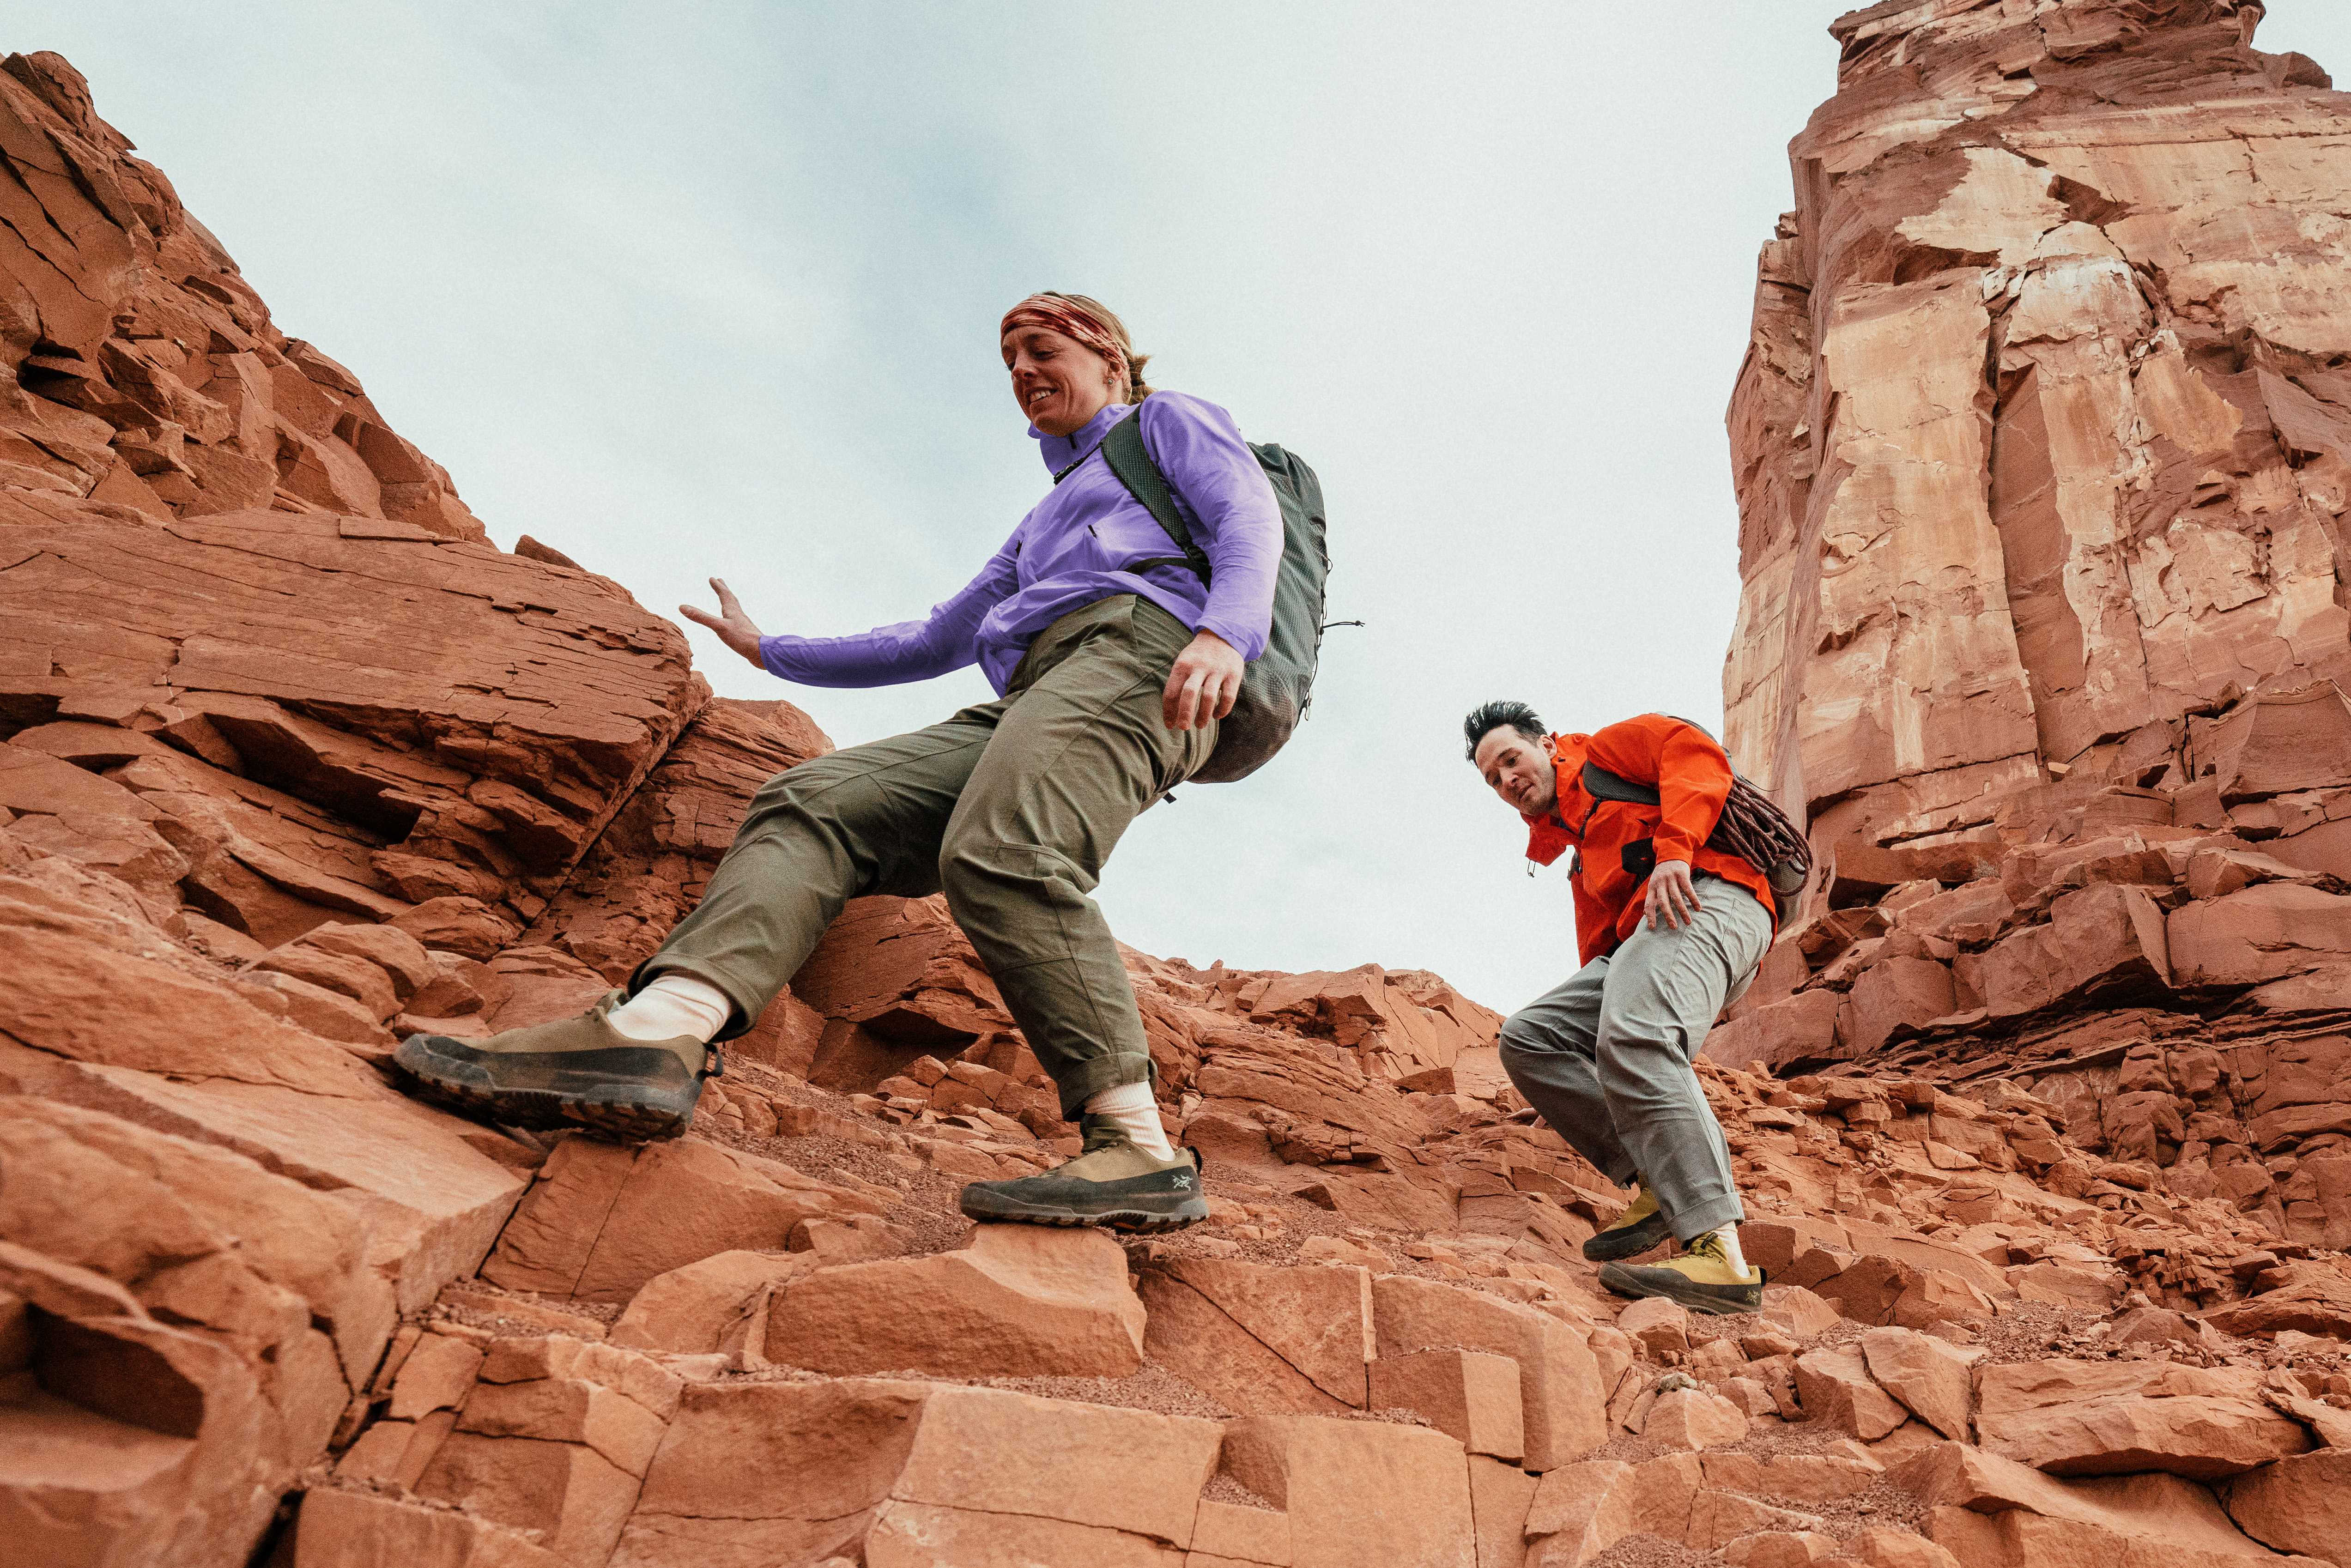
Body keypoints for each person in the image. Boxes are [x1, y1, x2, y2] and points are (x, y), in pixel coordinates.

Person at [394, 292, 1283, 1233]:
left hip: (1148, 653)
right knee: (815, 800)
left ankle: (1136, 1149)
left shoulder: (1165, 421)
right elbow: (934, 638)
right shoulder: (1046, 517)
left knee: (1005, 852)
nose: (1021, 370)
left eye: (1039, 346)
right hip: (1044, 688)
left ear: (1105, 351)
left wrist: (1226, 632)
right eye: (1008, 358)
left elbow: (1245, 515)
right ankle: (655, 1034)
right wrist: (772, 651)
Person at [1465, 703, 1773, 1313]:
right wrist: (1591, 1081)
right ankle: (1656, 1176)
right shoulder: (1578, 854)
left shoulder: (1608, 751)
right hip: (1647, 939)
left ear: (1546, 745)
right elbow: (1600, 957)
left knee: (1636, 1035)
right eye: (1492, 779)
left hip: (1709, 896)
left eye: (1510, 759)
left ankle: (1721, 1257)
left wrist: (1674, 852)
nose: (1506, 780)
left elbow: (1694, 755)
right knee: (1531, 1038)